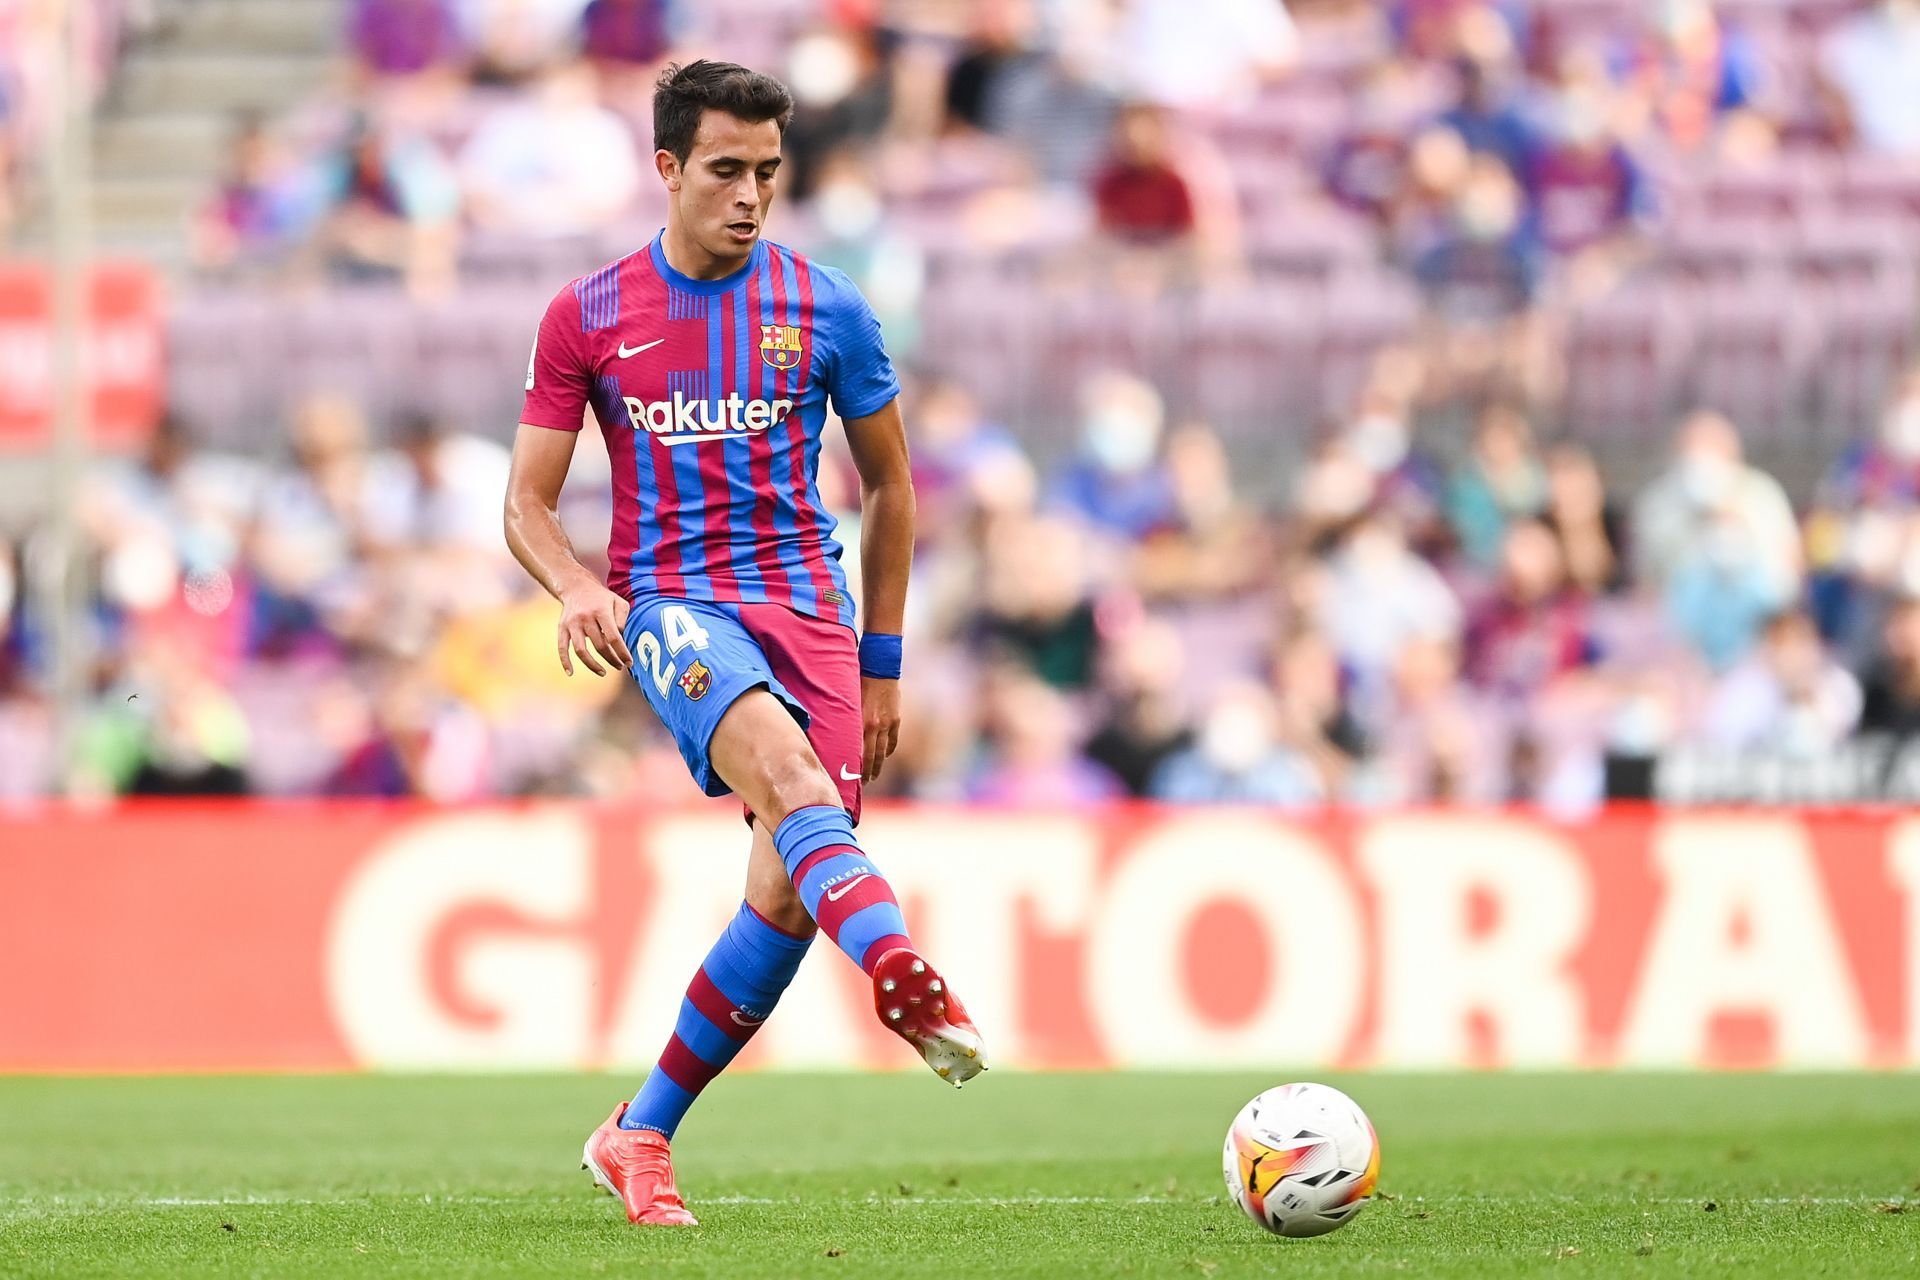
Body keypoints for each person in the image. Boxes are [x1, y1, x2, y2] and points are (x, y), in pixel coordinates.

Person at [502, 61, 986, 1227]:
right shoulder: (591, 313)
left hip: (811, 614)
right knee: (787, 775)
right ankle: (899, 971)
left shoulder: (829, 308)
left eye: (769, 171)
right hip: (674, 607)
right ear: (667, 169)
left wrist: (879, 661)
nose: (751, 193)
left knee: (782, 890)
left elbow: (892, 488)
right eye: (726, 169)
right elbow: (525, 502)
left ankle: (639, 1135)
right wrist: (574, 583)